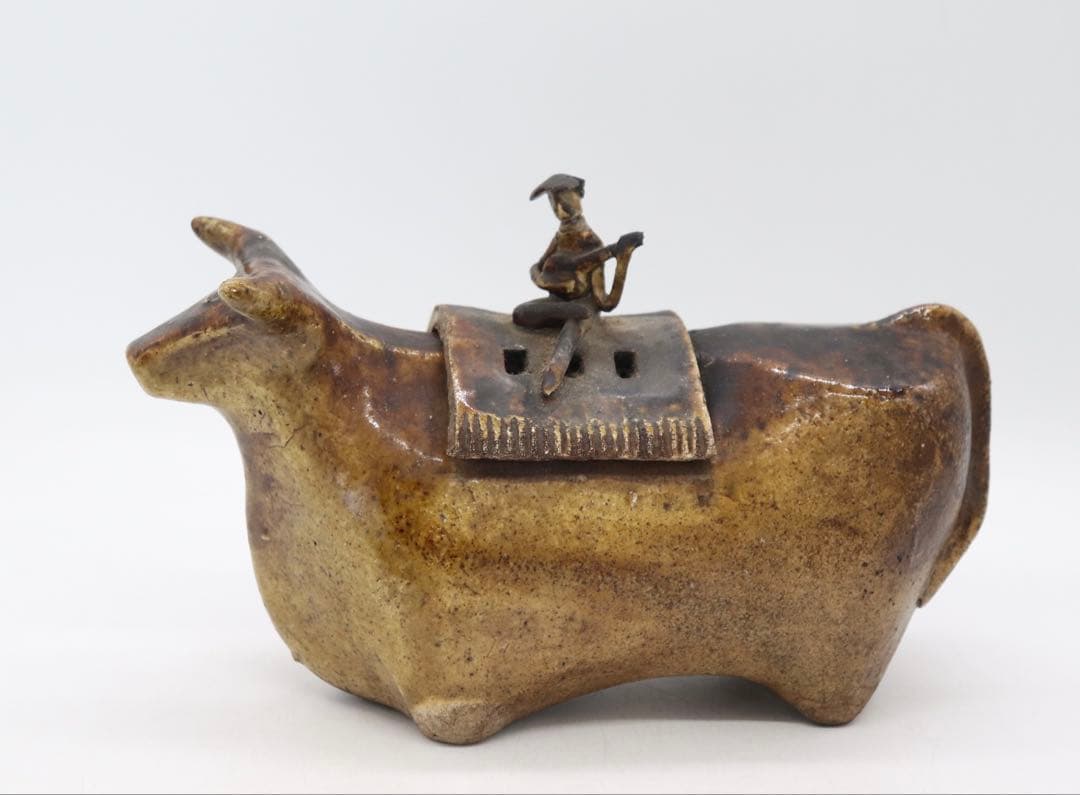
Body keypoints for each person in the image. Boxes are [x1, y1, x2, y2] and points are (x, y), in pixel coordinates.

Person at [513, 174, 643, 396]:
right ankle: (569, 310)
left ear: (577, 198)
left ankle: (553, 376)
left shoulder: (593, 243)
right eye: (553, 202)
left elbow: (606, 302)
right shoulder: (561, 237)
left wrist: (622, 260)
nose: (559, 209)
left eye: (564, 201)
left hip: (585, 306)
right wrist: (542, 278)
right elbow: (538, 267)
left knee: (571, 332)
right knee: (521, 313)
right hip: (558, 303)